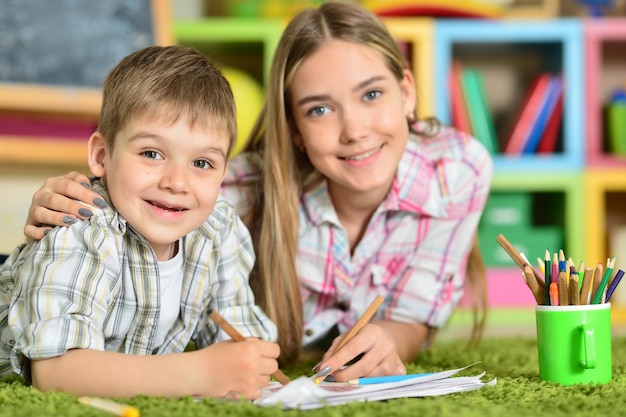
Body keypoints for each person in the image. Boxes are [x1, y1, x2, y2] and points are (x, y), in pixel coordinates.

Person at [21, 1, 492, 382]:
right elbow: (138, 174)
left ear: (406, 93)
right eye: (319, 110)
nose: (355, 131)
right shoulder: (231, 189)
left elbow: (414, 311)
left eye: (371, 95)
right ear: (292, 129)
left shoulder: (458, 172)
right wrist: (77, 192)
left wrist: (387, 338)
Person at [0, 45, 280, 399]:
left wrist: (251, 359)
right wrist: (198, 372)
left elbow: (239, 332)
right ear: (102, 156)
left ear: (224, 171)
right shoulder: (83, 229)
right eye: (152, 153)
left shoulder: (219, 229)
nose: (177, 183)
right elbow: (55, 372)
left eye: (202, 163)